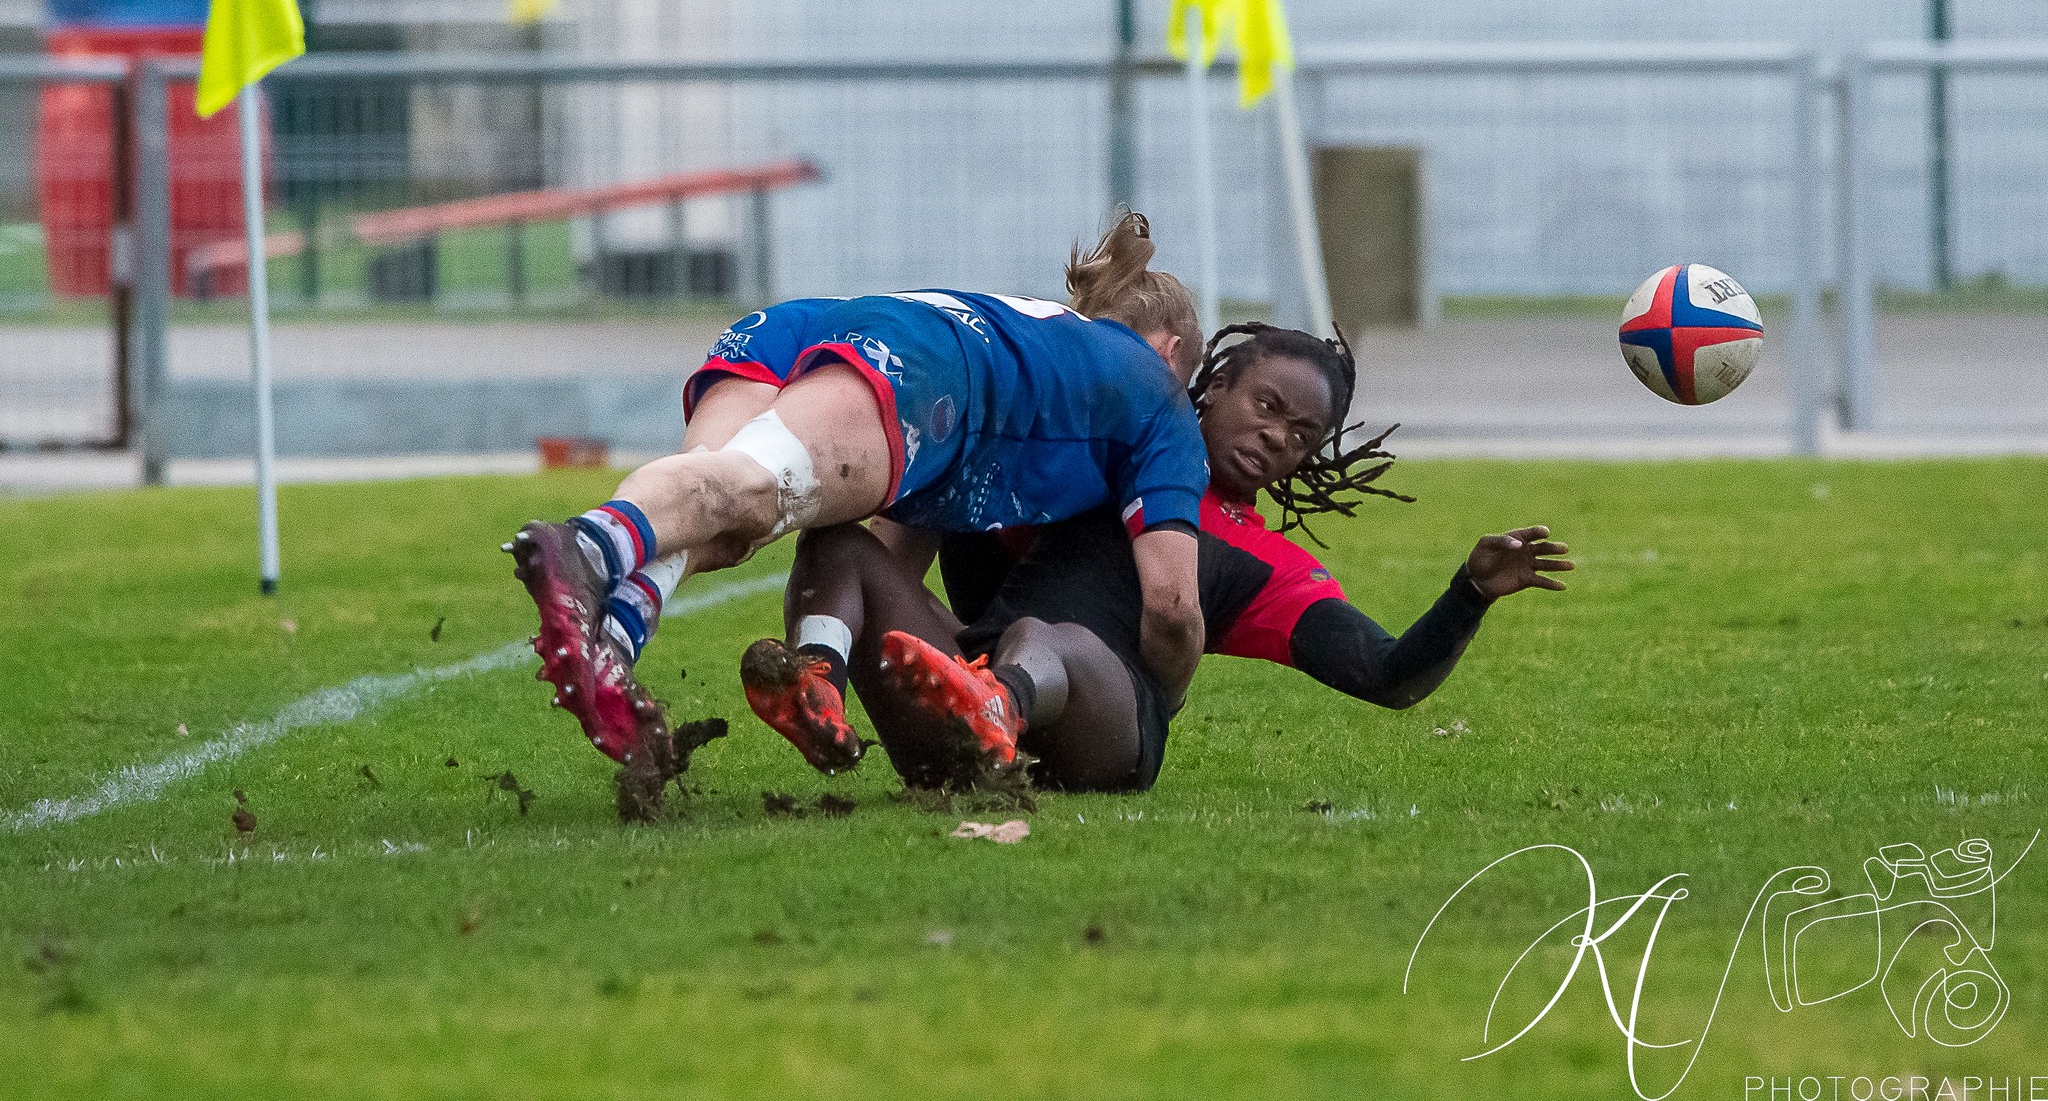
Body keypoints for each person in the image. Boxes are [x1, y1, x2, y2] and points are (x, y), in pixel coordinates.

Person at [507, 212, 1209, 769]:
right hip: (927, 364)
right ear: (1172, 350)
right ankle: (587, 547)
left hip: (809, 325)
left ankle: (612, 645)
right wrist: (1155, 703)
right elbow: (1173, 605)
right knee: (750, 491)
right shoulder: (1156, 395)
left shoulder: (1046, 336)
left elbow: (887, 563)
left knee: (713, 515)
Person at [742, 323, 1575, 792]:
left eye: (1301, 434)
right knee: (838, 541)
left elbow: (1389, 674)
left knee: (1044, 631)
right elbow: (958, 509)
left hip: (1112, 733)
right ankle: (818, 686)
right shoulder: (1095, 459)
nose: (1276, 437)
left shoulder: (1267, 563)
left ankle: (998, 699)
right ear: (1210, 390)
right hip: (961, 709)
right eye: (1267, 406)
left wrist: (1469, 591)